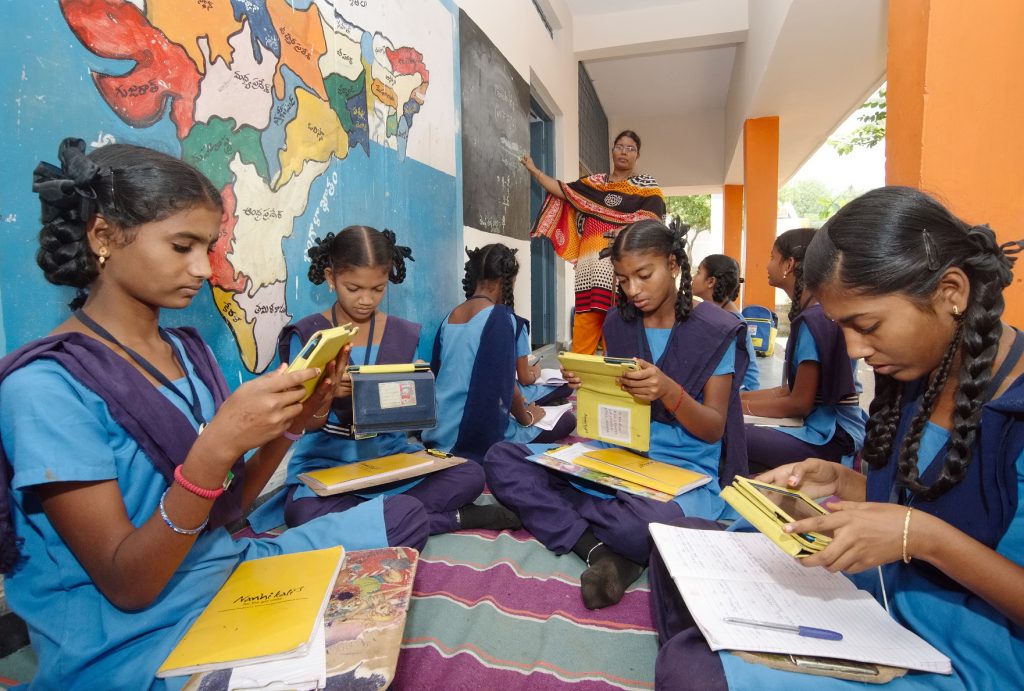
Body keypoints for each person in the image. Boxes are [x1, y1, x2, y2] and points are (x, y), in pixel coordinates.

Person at [0, 139, 430, 690]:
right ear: (104, 236)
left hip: (219, 568)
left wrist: (290, 429)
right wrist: (217, 447)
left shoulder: (186, 352)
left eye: (208, 246)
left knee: (399, 528)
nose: (204, 268)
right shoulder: (44, 387)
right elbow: (129, 585)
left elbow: (228, 510)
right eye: (183, 246)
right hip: (132, 634)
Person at [649, 186, 1024, 690]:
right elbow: (916, 498)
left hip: (964, 654)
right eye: (842, 327)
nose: (853, 348)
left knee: (691, 670)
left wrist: (923, 538)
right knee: (679, 549)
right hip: (875, 602)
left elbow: (923, 522)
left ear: (951, 291)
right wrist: (839, 483)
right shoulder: (915, 376)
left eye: (866, 325)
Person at [484, 220, 749, 610]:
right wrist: (589, 383)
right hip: (613, 463)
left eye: (644, 275)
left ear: (674, 264)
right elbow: (615, 399)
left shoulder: (715, 329)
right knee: (501, 459)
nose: (633, 291)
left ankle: (564, 524)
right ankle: (599, 550)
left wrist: (670, 392)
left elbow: (713, 429)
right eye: (623, 280)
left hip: (679, 477)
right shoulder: (619, 321)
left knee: (640, 526)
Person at [277, 226, 517, 535]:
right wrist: (324, 398)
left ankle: (371, 521)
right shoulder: (310, 335)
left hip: (390, 459)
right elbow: (300, 425)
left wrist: (417, 389)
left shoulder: (402, 334)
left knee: (469, 474)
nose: (366, 299)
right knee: (302, 512)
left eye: (377, 289)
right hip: (329, 463)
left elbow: (407, 421)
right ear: (330, 278)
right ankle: (449, 519)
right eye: (354, 288)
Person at [422, 243, 577, 462]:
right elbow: (505, 384)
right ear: (505, 282)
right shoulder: (499, 318)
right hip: (467, 437)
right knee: (567, 421)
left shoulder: (450, 316)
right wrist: (527, 417)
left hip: (436, 431)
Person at [524, 130, 666, 355]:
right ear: (612, 151)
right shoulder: (594, 183)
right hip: (588, 271)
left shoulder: (645, 186)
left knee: (619, 335)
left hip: (622, 274)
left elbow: (653, 220)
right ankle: (581, 385)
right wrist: (534, 171)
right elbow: (563, 190)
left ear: (637, 155)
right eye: (620, 146)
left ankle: (618, 386)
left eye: (631, 149)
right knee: (583, 337)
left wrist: (623, 230)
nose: (624, 152)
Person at [740, 228, 866, 472]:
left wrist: (733, 409)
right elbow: (789, 391)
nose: (767, 265)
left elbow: (799, 404)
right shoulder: (816, 313)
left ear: (789, 264)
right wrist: (736, 399)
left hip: (831, 437)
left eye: (772, 257)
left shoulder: (816, 319)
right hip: (824, 428)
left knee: (727, 433)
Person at [693, 254, 760, 391]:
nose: (693, 277)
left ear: (711, 281)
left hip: (741, 392)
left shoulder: (728, 322)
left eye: (698, 272)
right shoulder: (718, 312)